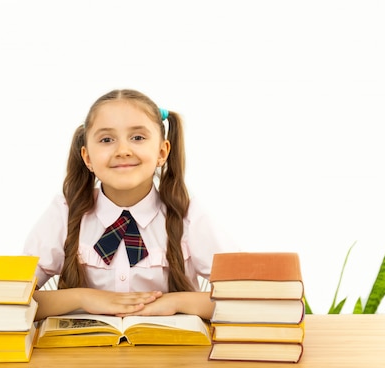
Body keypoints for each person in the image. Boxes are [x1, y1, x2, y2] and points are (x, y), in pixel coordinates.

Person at [23, 89, 232, 321]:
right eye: (106, 140)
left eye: (138, 138)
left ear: (162, 152)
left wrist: (174, 302)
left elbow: (244, 298)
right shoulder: (66, 210)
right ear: (88, 158)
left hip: (170, 355)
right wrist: (83, 298)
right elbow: (14, 298)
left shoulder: (186, 212)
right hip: (85, 355)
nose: (123, 151)